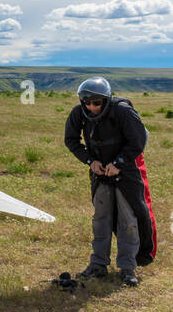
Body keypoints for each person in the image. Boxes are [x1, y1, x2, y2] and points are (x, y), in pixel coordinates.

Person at [63, 77, 157, 287]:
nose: (92, 107)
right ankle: (98, 265)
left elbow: (138, 140)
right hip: (100, 174)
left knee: (128, 221)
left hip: (127, 174)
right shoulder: (79, 114)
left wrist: (119, 163)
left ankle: (127, 268)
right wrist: (89, 161)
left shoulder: (123, 111)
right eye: (87, 102)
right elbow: (70, 140)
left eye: (97, 103)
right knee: (101, 219)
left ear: (106, 100)